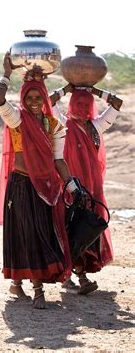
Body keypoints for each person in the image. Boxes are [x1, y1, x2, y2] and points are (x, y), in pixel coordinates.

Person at [0, 53, 79, 309]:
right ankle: (35, 288)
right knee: (24, 233)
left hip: (45, 188)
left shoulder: (54, 125)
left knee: (40, 233)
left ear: (44, 99)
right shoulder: (17, 121)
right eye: (29, 97)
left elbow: (58, 160)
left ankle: (20, 283)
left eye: (37, 97)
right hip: (21, 186)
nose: (33, 102)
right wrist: (7, 74)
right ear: (23, 99)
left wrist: (73, 186)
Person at [51, 84, 123, 294]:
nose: (82, 107)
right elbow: (49, 101)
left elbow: (117, 103)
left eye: (86, 104)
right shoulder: (63, 124)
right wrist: (66, 88)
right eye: (78, 103)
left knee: (87, 229)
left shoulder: (96, 126)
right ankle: (75, 277)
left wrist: (96, 91)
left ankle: (77, 276)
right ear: (72, 104)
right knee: (71, 229)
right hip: (71, 187)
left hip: (92, 188)